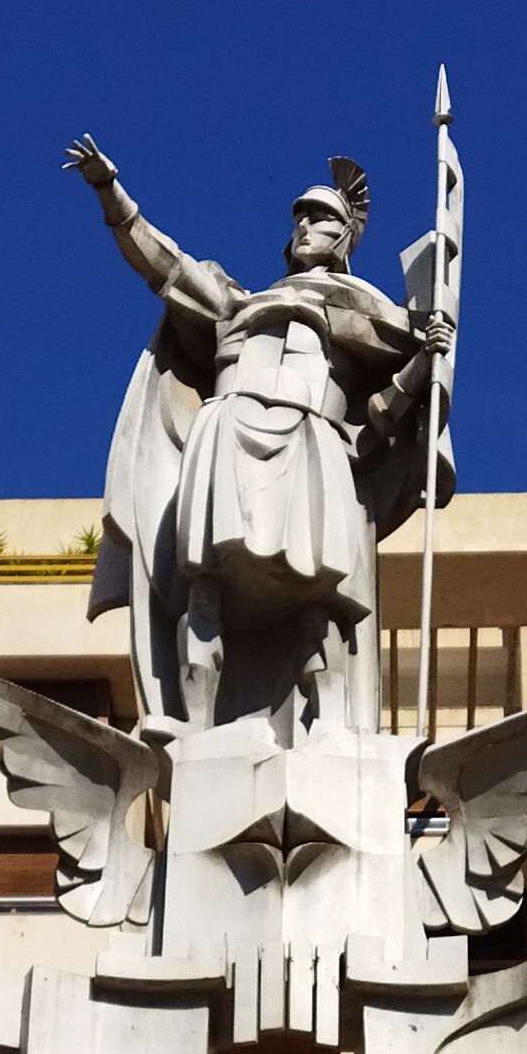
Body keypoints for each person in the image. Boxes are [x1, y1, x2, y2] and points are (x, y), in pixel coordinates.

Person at [67, 136, 452, 736]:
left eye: (321, 216)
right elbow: (165, 267)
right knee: (205, 589)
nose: (304, 223)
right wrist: (112, 195)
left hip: (312, 439)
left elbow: (383, 412)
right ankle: (192, 723)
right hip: (228, 429)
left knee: (317, 598)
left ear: (346, 235)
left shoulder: (366, 309)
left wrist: (427, 357)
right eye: (300, 213)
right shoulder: (236, 302)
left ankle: (327, 725)